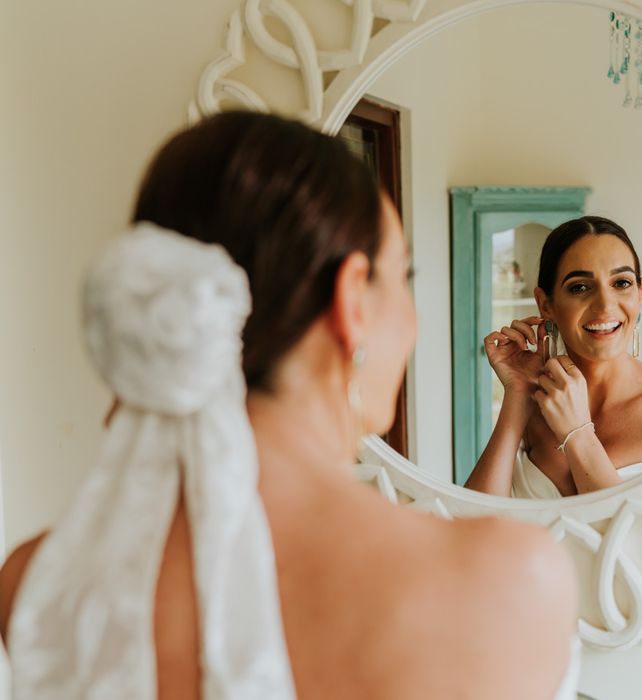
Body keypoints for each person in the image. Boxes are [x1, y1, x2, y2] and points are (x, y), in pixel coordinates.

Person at [0, 111, 578, 699]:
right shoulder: (500, 586)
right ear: (352, 297)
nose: (411, 318)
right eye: (403, 276)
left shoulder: (39, 582)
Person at [465, 216, 642, 499]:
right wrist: (517, 393)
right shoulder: (535, 409)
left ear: (640, 294)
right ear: (546, 304)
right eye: (580, 287)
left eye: (621, 283)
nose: (604, 305)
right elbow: (470, 529)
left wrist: (577, 433)